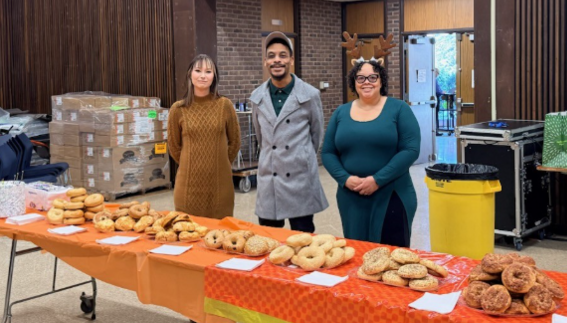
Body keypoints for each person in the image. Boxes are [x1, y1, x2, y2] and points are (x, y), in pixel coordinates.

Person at [322, 59, 420, 246]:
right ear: (354, 82)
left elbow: (410, 150)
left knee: (391, 261)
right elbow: (328, 152)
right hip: (351, 197)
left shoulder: (399, 109)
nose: (366, 82)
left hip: (392, 195)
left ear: (381, 80)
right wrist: (344, 179)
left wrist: (377, 180)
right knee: (357, 256)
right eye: (361, 78)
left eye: (372, 77)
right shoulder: (341, 113)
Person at [248, 32, 329, 233]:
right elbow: (261, 138)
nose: (277, 60)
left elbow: (316, 136)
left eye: (283, 55)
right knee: (269, 238)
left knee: (302, 241)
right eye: (272, 55)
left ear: (291, 60)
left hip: (300, 178)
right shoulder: (256, 97)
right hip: (270, 178)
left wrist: (300, 156)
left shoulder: (309, 95)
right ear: (265, 61)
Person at [167, 54, 241, 219]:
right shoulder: (178, 109)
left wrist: (220, 163)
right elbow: (174, 146)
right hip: (187, 187)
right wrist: (190, 163)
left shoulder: (225, 105)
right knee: (187, 233)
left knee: (221, 237)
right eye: (198, 70)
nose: (202, 75)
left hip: (220, 187)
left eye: (208, 71)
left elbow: (235, 141)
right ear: (189, 74)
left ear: (214, 76)